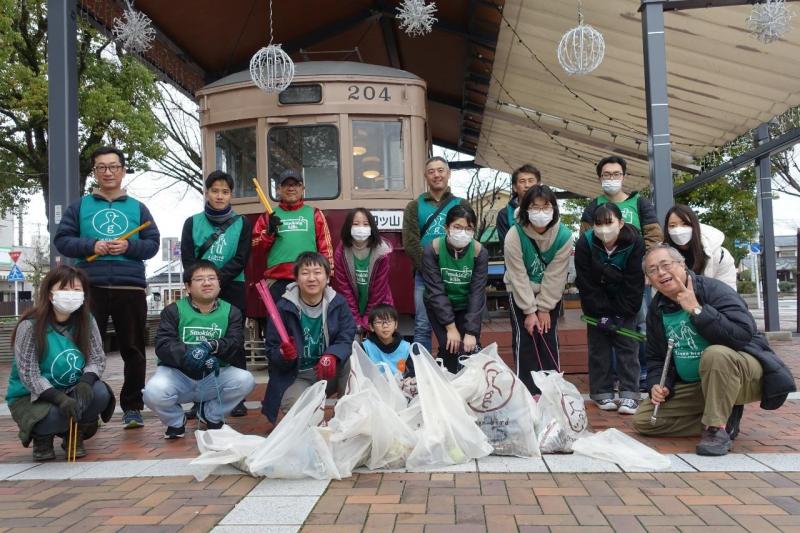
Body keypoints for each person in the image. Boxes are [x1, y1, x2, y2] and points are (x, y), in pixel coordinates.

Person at [633, 244, 795, 455]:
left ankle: (716, 429)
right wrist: (657, 384)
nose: (661, 273)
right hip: (701, 385)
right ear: (648, 279)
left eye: (666, 265)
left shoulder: (713, 290)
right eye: (653, 270)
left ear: (682, 264)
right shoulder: (657, 308)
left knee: (715, 354)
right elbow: (656, 357)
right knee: (645, 420)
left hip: (742, 374)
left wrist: (697, 310)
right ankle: (722, 417)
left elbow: (742, 334)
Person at [54, 145, 160, 429]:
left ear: (123, 170)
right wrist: (92, 245)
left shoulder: (138, 207)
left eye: (114, 166)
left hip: (131, 287)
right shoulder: (80, 207)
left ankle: (132, 407)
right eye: (102, 167)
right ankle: (90, 407)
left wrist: (129, 245)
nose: (108, 172)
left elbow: (152, 244)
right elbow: (62, 240)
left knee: (134, 349)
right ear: (95, 172)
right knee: (86, 349)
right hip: (90, 287)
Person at [6, 266, 114, 461]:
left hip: (70, 387)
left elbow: (97, 358)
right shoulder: (30, 326)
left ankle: (75, 435)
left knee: (99, 393)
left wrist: (86, 382)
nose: (71, 295)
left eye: (76, 290)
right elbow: (29, 374)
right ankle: (42, 438)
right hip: (32, 396)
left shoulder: (86, 320)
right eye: (64, 289)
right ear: (49, 294)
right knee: (55, 415)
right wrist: (58, 398)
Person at [143, 260, 255, 438]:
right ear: (188, 286)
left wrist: (211, 346)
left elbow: (235, 343)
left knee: (245, 380)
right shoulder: (173, 310)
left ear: (219, 284)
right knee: (153, 392)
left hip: (214, 374)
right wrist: (191, 354)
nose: (207, 282)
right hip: (178, 375)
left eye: (212, 278)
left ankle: (211, 413)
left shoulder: (232, 312)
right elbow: (163, 345)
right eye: (199, 279)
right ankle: (175, 421)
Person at [580, 155, 663, 391]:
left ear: (624, 176)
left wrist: (648, 269)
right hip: (602, 281)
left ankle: (643, 375)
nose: (611, 179)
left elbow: (654, 237)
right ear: (600, 178)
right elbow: (585, 239)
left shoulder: (640, 203)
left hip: (637, 280)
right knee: (606, 328)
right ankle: (614, 377)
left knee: (641, 326)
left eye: (616, 174)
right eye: (606, 175)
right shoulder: (593, 205)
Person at [181, 170, 252, 418]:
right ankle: (198, 396)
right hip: (199, 287)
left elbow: (242, 258)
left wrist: (216, 279)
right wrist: (203, 281)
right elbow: (188, 259)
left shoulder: (242, 223)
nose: (220, 196)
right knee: (199, 338)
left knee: (234, 340)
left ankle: (236, 397)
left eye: (225, 191)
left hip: (233, 286)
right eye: (215, 190)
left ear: (231, 194)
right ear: (206, 192)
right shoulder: (192, 222)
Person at [261, 252, 356, 424]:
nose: (311, 278)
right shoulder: (283, 307)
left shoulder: (338, 303)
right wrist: (284, 355)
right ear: (296, 279)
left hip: (328, 371)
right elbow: (271, 350)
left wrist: (332, 354)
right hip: (298, 375)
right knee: (297, 416)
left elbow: (347, 336)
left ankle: (345, 413)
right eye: (305, 273)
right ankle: (309, 411)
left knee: (353, 359)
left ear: (327, 278)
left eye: (317, 272)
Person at [575, 203, 645, 414]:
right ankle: (601, 392)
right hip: (596, 304)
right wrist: (602, 314)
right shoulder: (585, 244)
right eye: (599, 224)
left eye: (609, 222)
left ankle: (630, 395)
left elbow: (634, 282)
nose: (604, 228)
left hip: (626, 302)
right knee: (599, 349)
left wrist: (621, 314)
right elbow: (586, 283)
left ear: (621, 223)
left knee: (628, 347)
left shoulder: (635, 242)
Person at [503, 185, 573, 394]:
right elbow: (518, 275)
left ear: (554, 209)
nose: (540, 212)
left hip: (548, 295)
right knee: (525, 341)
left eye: (546, 207)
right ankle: (527, 392)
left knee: (548, 338)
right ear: (525, 209)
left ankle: (551, 391)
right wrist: (529, 311)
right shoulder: (514, 235)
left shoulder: (564, 235)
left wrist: (543, 309)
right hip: (520, 292)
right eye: (534, 207)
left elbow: (556, 275)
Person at [402, 157, 470, 351]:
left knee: (455, 325)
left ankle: (452, 367)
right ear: (426, 176)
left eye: (441, 170)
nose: (436, 175)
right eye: (431, 171)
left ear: (448, 174)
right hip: (424, 276)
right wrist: (430, 270)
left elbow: (468, 238)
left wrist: (451, 268)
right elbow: (410, 242)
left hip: (455, 275)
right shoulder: (414, 206)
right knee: (422, 326)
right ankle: (422, 371)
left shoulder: (461, 204)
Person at [251, 168, 334, 305]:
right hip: (276, 280)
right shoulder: (268, 216)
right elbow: (255, 248)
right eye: (286, 184)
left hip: (309, 278)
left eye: (295, 184)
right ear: (278, 189)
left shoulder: (315, 213)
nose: (291, 188)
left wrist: (327, 276)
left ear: (302, 188)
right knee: (278, 325)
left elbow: (326, 248)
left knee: (308, 323)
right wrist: (269, 233)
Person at [422, 205, 489, 374]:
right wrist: (450, 327)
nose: (462, 232)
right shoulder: (433, 249)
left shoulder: (479, 252)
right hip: (439, 306)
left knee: (469, 347)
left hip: (467, 306)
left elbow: (477, 292)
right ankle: (446, 385)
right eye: (457, 227)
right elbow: (436, 291)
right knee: (450, 345)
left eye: (468, 228)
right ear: (447, 228)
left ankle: (471, 391)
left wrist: (471, 331)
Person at [332, 208, 393, 335]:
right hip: (352, 307)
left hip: (379, 307)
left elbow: (378, 291)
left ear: (372, 227)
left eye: (366, 224)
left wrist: (366, 321)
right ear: (348, 226)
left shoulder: (382, 252)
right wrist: (356, 320)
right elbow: (344, 289)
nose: (361, 228)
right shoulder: (341, 251)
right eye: (355, 224)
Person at [663, 204, 736, 291]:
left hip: (712, 303)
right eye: (672, 226)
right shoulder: (661, 256)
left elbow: (728, 294)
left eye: (685, 224)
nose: (678, 230)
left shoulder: (720, 256)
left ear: (695, 225)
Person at [495, 164, 541, 244]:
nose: (527, 185)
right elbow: (506, 246)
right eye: (522, 181)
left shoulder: (549, 209)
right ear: (515, 187)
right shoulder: (504, 214)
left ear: (538, 185)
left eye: (531, 181)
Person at [361, 304, 411, 377]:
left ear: (396, 324)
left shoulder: (406, 347)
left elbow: (412, 374)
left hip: (400, 386)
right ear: (371, 327)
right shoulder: (365, 347)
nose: (385, 326)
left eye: (389, 321)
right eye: (379, 322)